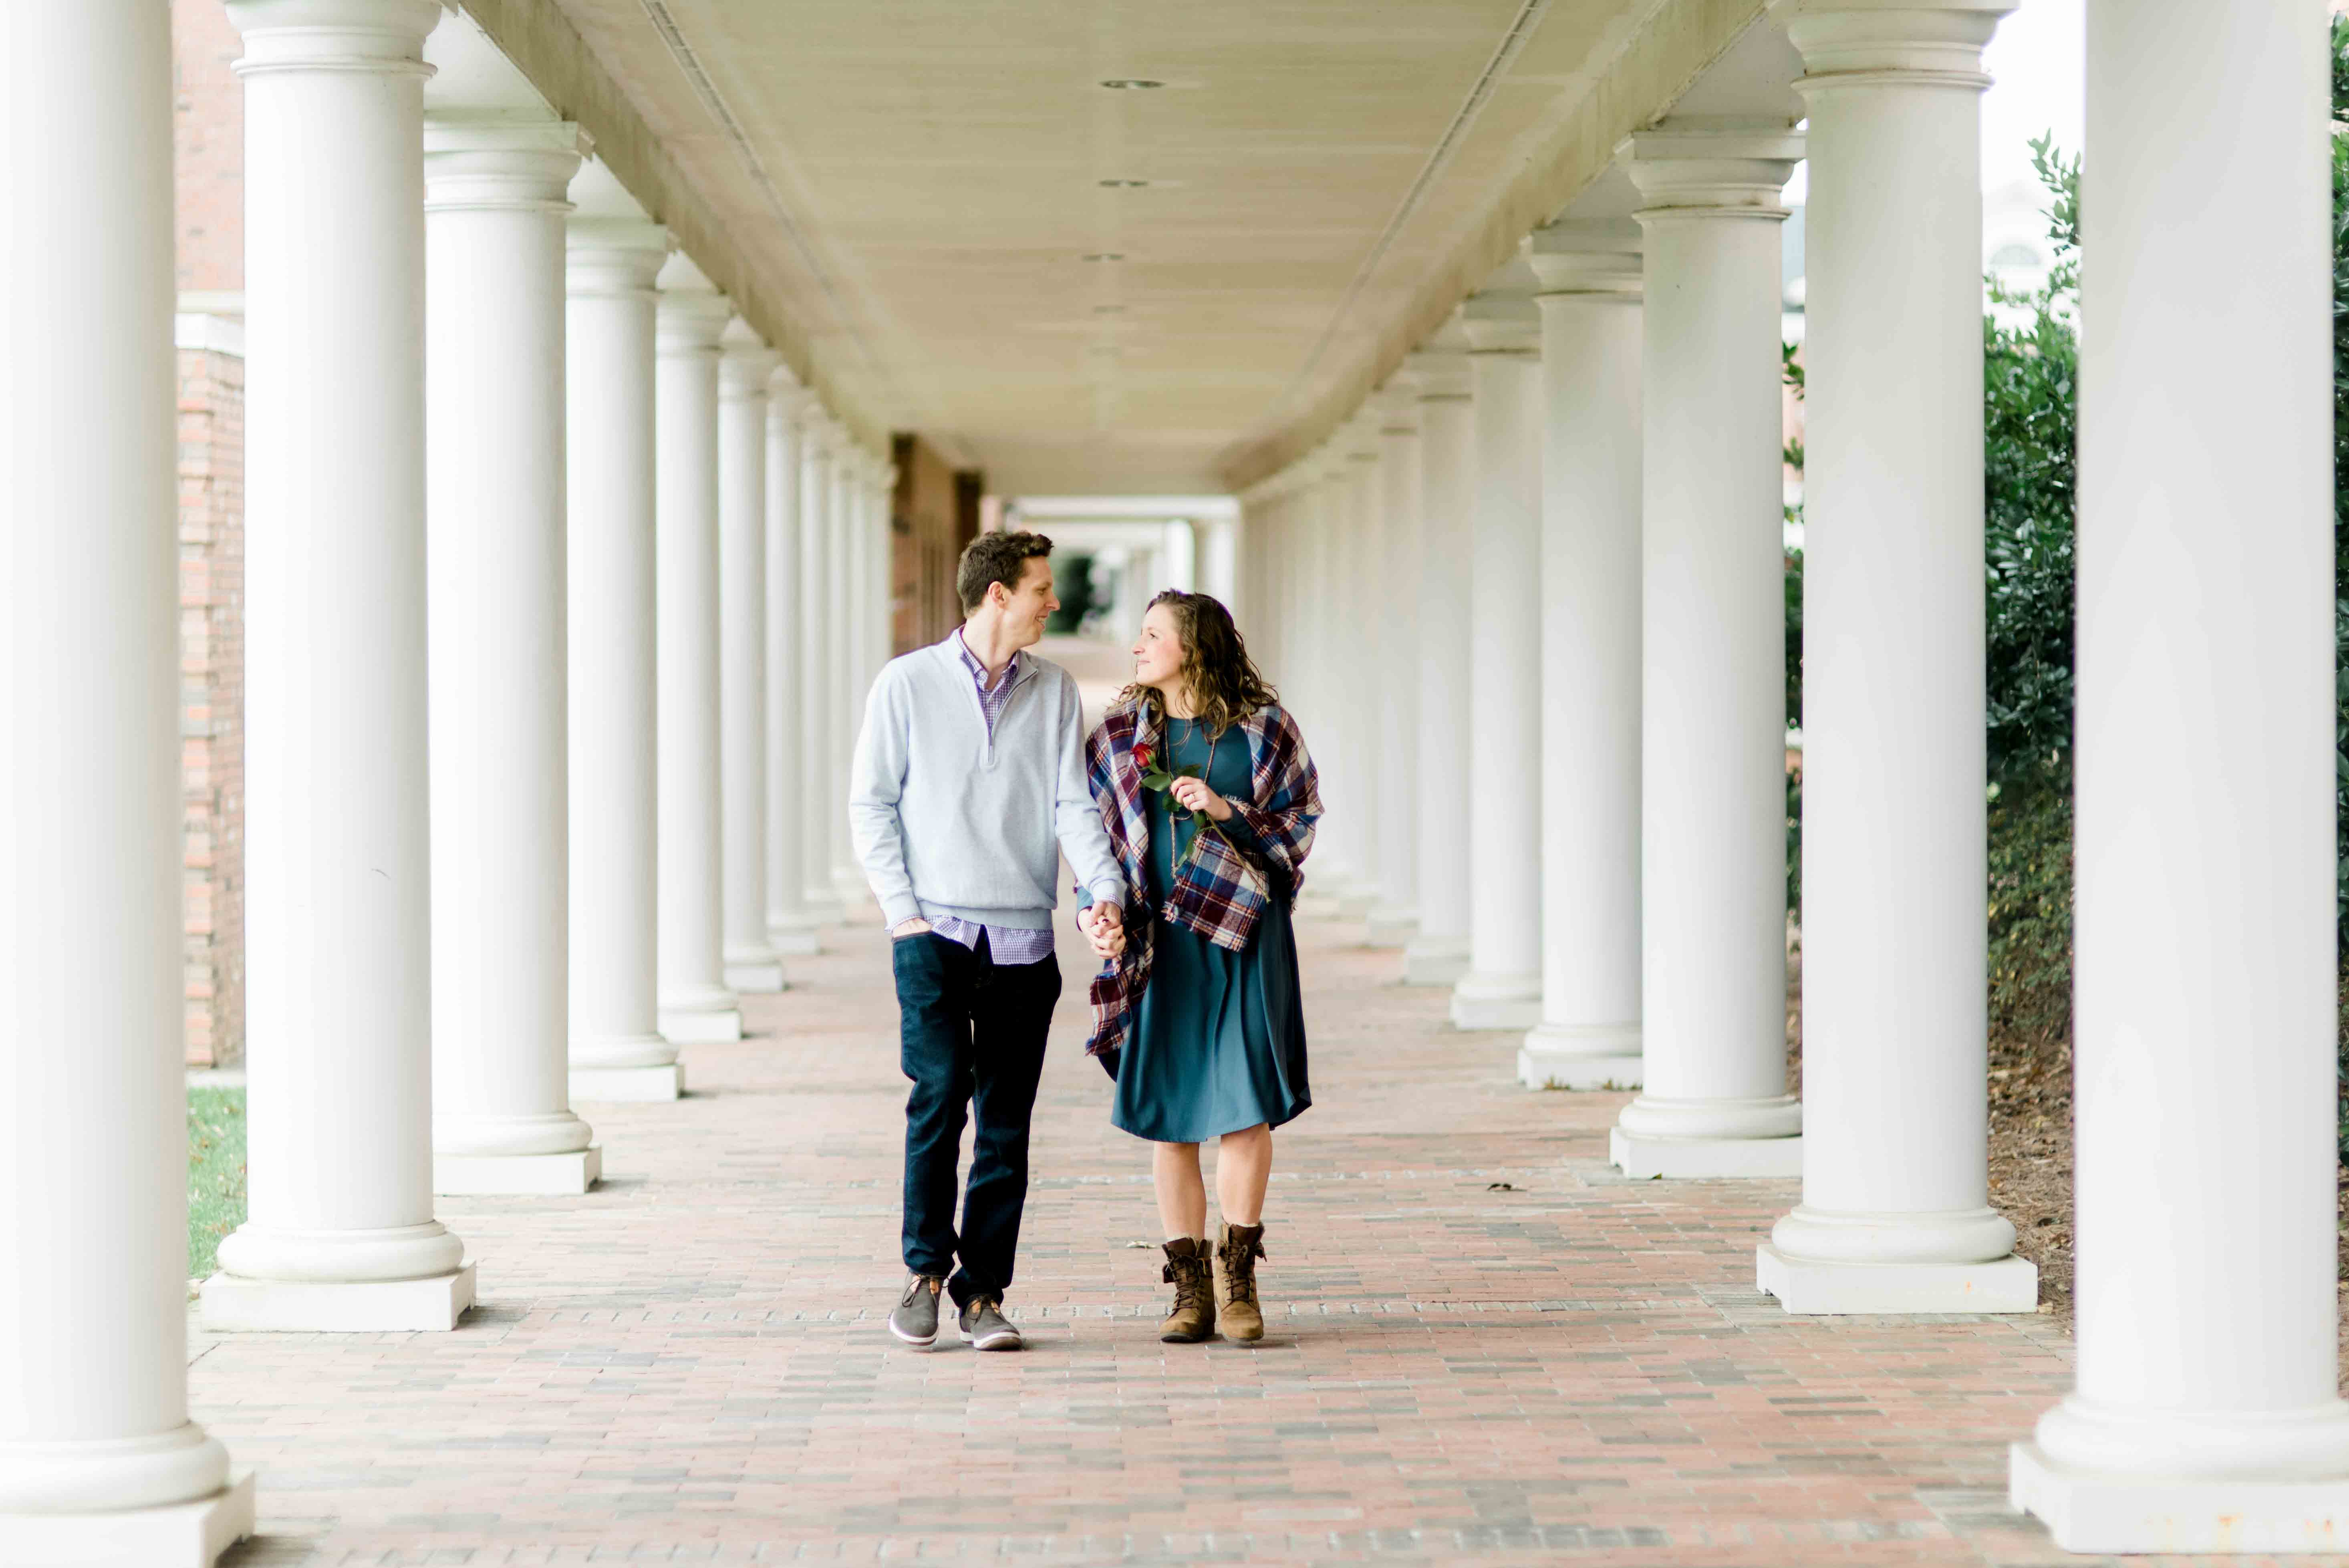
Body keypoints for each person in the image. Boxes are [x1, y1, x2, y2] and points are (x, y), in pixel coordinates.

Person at [849, 530, 1127, 1352]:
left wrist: (1099, 891)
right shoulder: (906, 684)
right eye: (1041, 587)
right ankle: (924, 1275)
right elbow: (870, 805)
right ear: (997, 594)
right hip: (931, 933)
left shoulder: (1053, 690)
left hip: (1021, 943)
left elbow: (1071, 804)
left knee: (1006, 1126)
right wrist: (903, 914)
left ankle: (984, 1293)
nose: (1054, 600)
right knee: (937, 1104)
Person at [1081, 590, 1321, 1344]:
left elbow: (1302, 821)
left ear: (1194, 645)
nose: (1138, 647)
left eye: (1153, 635)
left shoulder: (1265, 731)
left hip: (1245, 939)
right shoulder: (1118, 736)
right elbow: (1095, 837)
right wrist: (1099, 907)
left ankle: (1240, 1281)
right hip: (1163, 942)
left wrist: (1225, 812)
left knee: (1246, 1106)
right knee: (1173, 1116)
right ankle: (1190, 1292)